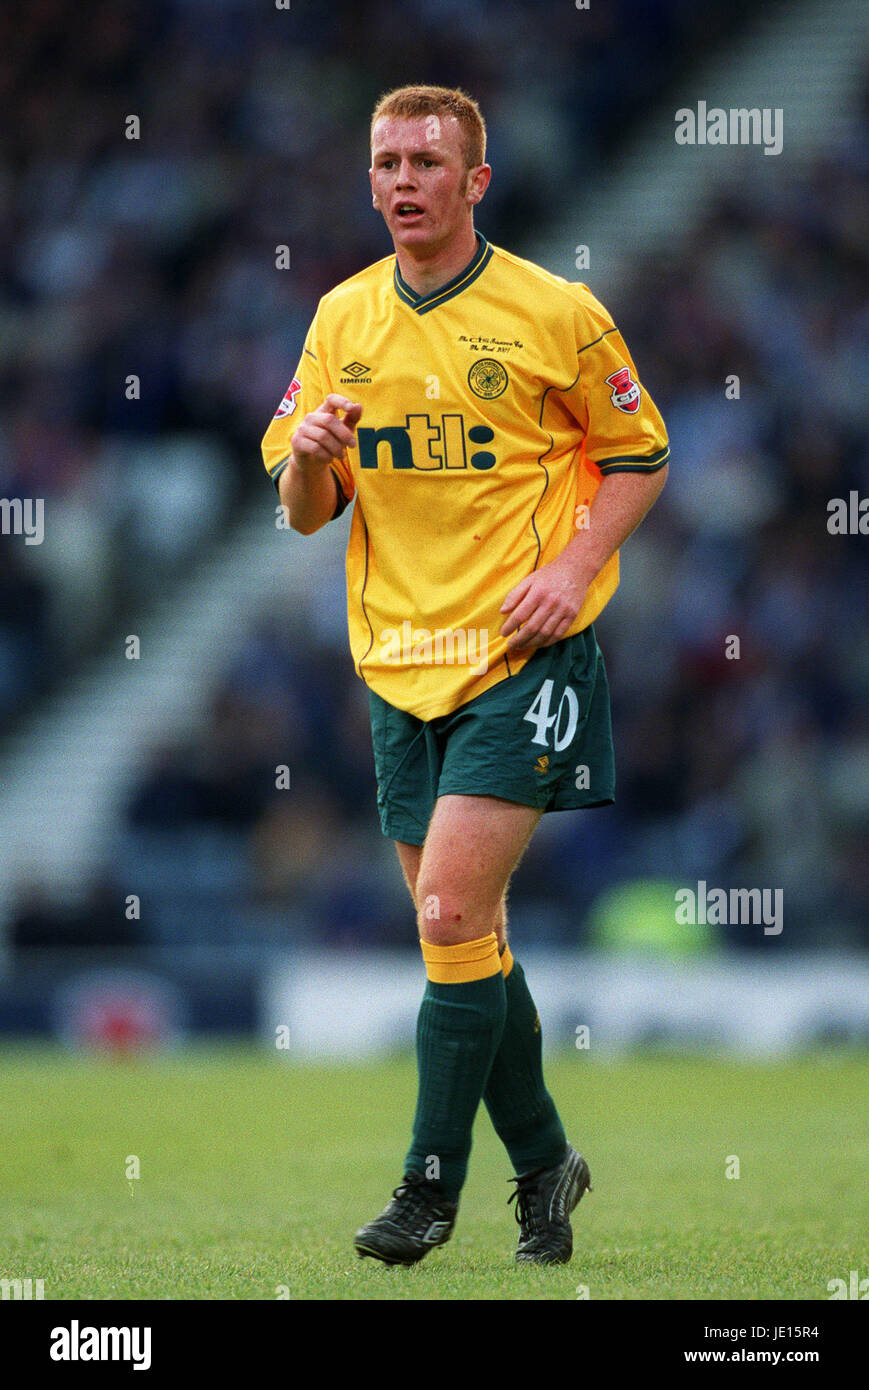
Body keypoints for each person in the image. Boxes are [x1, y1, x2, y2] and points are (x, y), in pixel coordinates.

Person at [261, 85, 669, 1266]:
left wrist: (576, 564)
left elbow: (639, 453)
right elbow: (300, 512)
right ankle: (546, 1165)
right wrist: (308, 461)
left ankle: (426, 1191)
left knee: (444, 909)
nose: (401, 181)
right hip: (399, 665)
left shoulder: (556, 312)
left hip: (523, 655)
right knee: (465, 932)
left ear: (473, 182)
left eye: (426, 163)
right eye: (385, 161)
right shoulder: (342, 317)